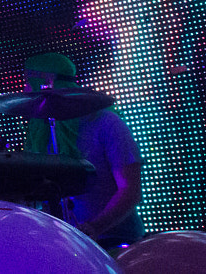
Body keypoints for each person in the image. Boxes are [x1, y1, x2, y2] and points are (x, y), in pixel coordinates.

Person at [21, 52, 143, 246]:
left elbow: (130, 189)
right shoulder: (41, 131)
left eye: (28, 81)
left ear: (46, 83)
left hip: (115, 240)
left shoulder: (107, 123)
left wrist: (95, 227)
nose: (24, 88)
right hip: (69, 245)